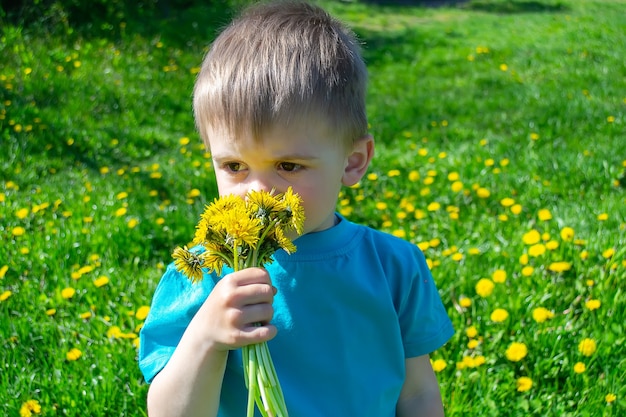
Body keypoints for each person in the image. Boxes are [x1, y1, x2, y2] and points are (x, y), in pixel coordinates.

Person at [138, 1, 454, 416]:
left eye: (288, 166)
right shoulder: (204, 274)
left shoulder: (394, 266)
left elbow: (417, 394)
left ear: (353, 161)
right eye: (235, 166)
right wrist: (205, 337)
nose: (256, 193)